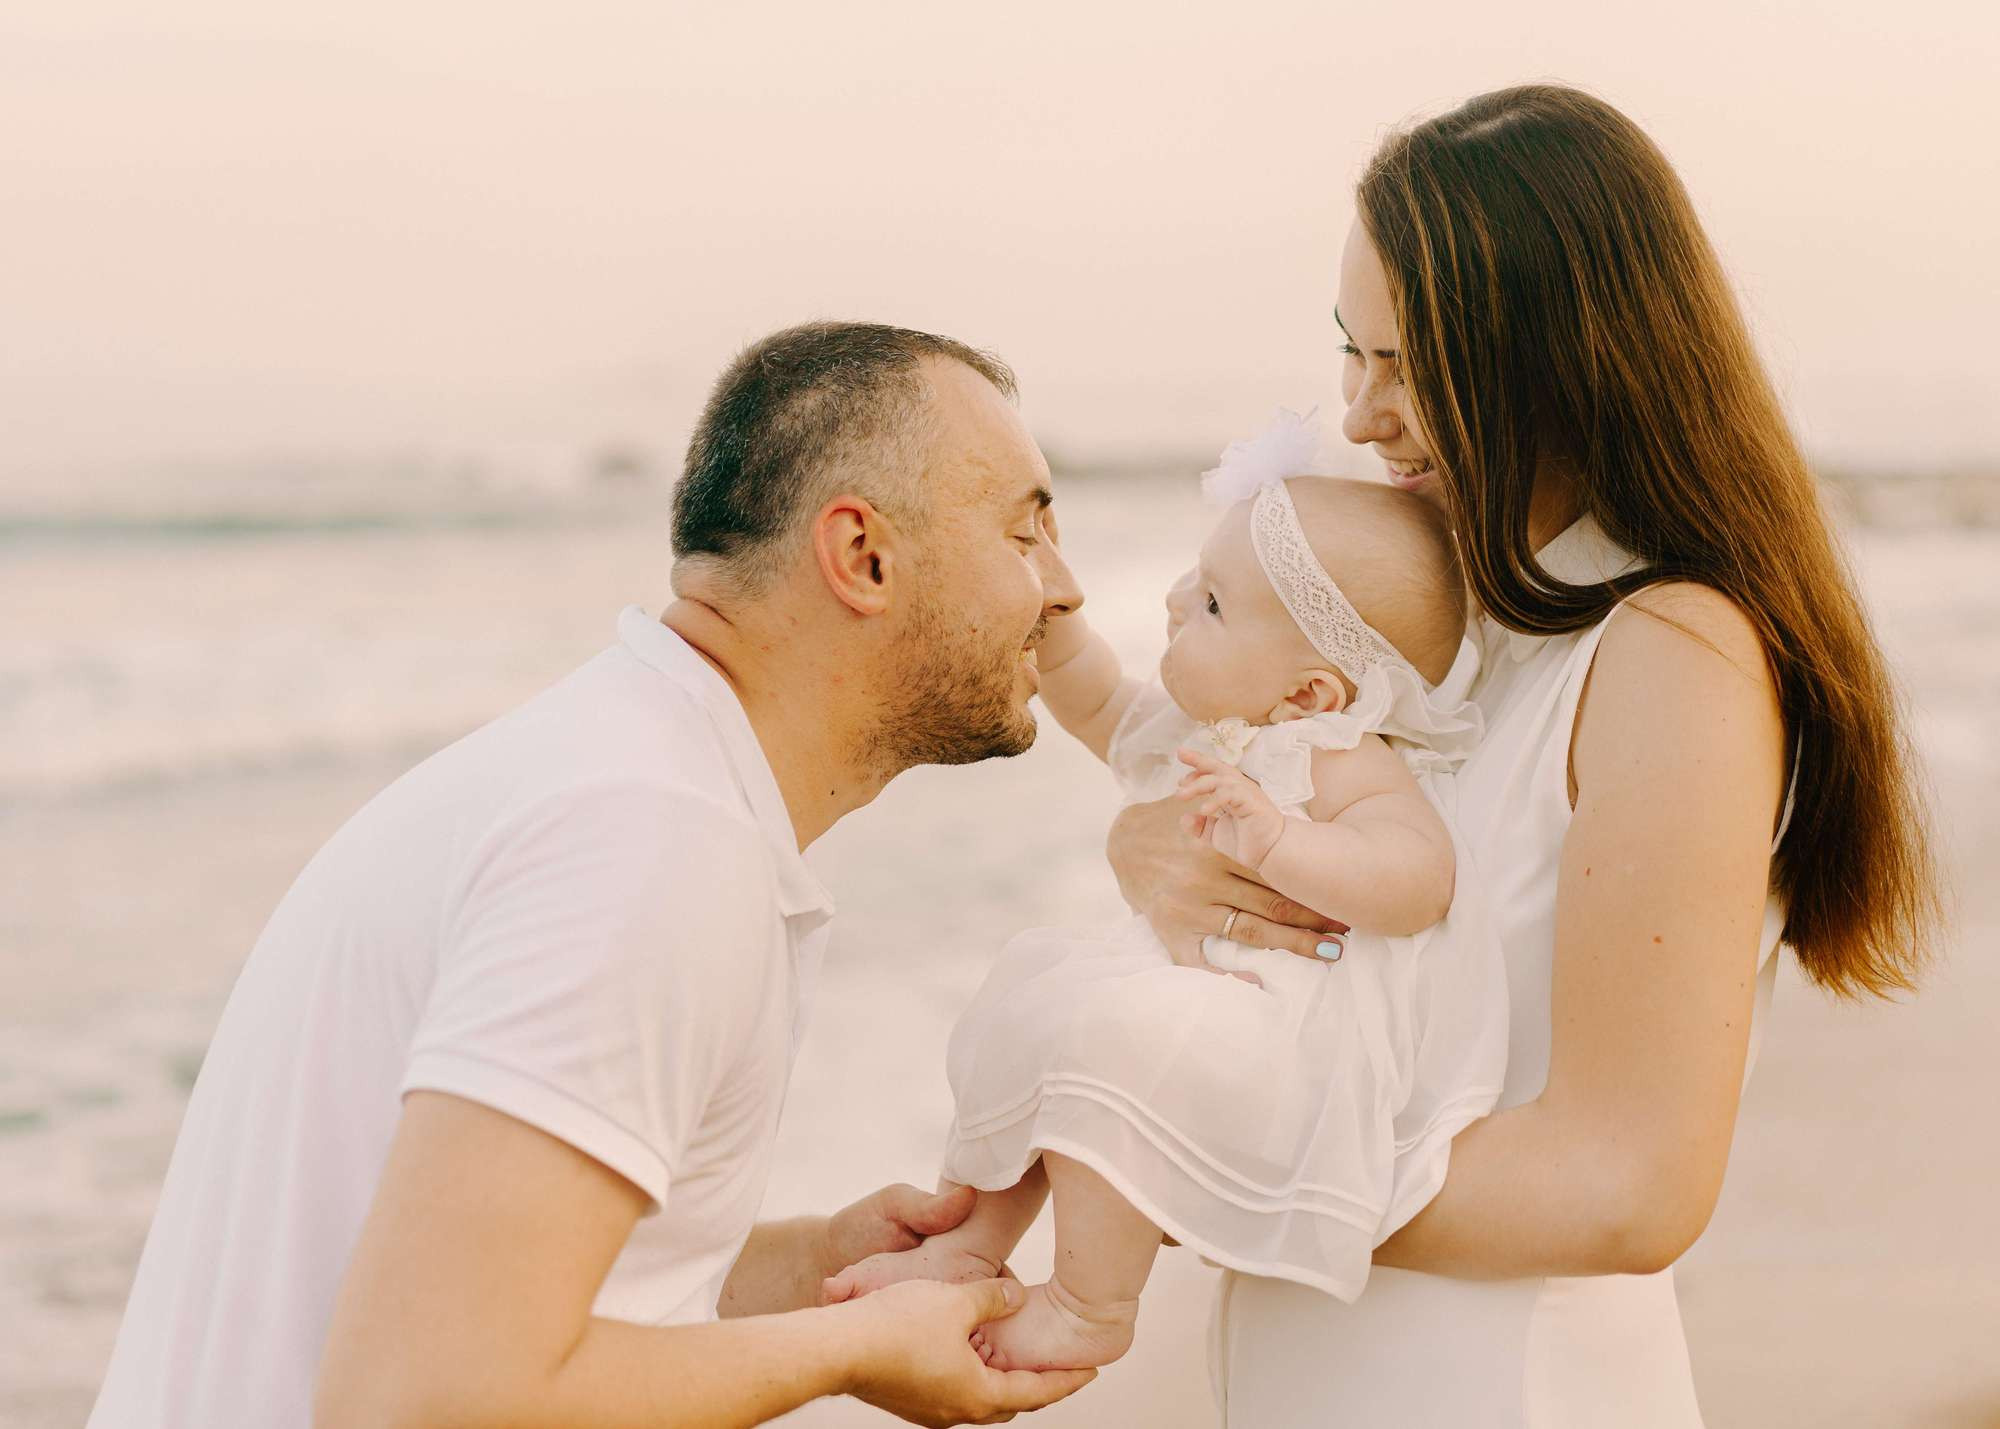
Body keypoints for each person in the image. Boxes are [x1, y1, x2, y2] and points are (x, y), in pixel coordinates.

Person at [1105, 85, 1943, 1425]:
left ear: (1566, 356)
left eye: (1407, 361)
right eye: (1350, 352)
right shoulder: (1461, 625)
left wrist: (1211, 1160)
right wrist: (1162, 860)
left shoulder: (1672, 647)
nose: (1362, 412)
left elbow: (1630, 1181)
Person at [86, 321, 1098, 1428]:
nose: (1062, 589)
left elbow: (509, 1301)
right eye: (1024, 529)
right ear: (861, 556)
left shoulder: (624, 776)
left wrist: (813, 1269)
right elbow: (421, 1395)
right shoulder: (648, 839)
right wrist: (848, 1345)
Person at [822, 437, 1510, 1377]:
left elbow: (1419, 877)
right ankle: (973, 1235)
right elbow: (1096, 698)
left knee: (1117, 1043)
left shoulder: (1341, 754)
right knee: (1031, 993)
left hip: (1277, 1035)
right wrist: (1054, 619)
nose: (1178, 601)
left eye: (1215, 604)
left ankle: (1090, 1303)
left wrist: (1284, 842)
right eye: (1196, 578)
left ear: (1310, 690)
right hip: (1182, 987)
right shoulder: (1201, 729)